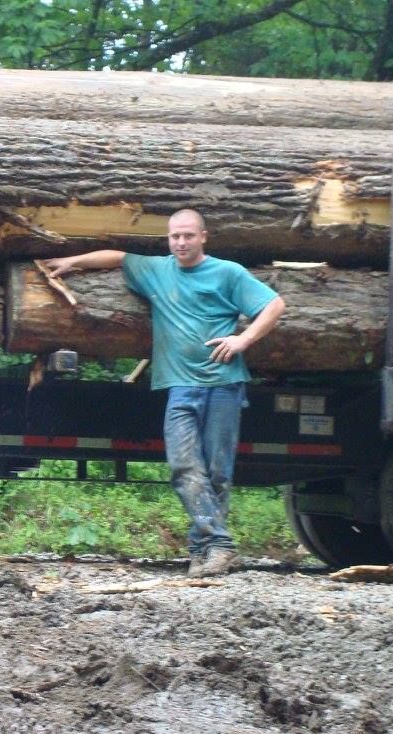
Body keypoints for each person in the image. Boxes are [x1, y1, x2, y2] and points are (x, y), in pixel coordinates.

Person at [42, 209, 285, 577]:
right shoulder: (158, 270)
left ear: (204, 236)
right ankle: (218, 544)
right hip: (180, 387)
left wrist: (244, 339)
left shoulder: (227, 272)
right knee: (184, 467)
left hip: (223, 385)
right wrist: (73, 261)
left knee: (217, 473)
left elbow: (274, 304)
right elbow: (119, 257)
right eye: (175, 237)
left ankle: (205, 550)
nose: (181, 243)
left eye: (188, 235)